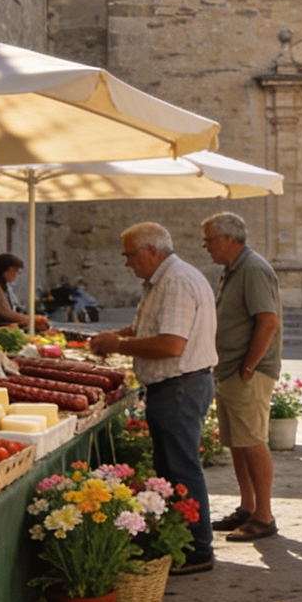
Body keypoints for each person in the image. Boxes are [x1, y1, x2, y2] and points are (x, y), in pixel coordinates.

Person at [89, 223, 218, 573]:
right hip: (178, 386)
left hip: (179, 387)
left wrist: (118, 345)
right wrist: (116, 335)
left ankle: (197, 551)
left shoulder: (174, 282)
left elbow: (170, 344)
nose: (127, 263)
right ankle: (181, 543)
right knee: (172, 468)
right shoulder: (167, 280)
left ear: (150, 251)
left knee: (180, 469)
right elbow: (150, 327)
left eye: (129, 255)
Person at [201, 212, 281, 542]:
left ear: (229, 238)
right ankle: (247, 507)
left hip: (247, 372)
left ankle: (264, 515)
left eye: (209, 240)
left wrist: (248, 366)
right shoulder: (233, 270)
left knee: (252, 440)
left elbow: (267, 321)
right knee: (237, 443)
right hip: (231, 369)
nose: (206, 246)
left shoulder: (253, 269)